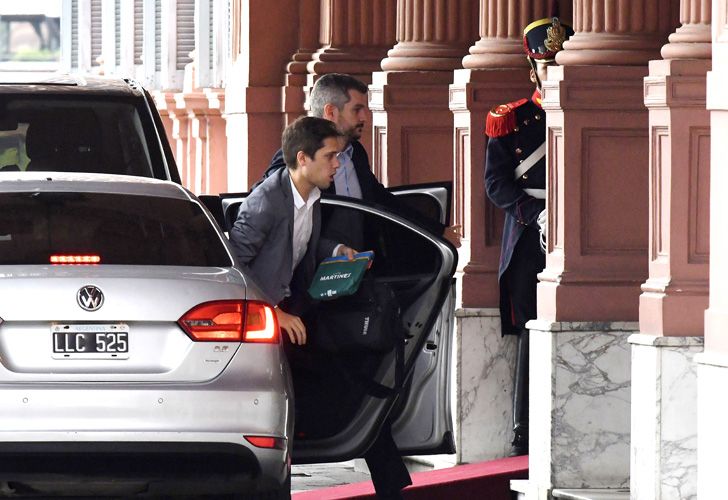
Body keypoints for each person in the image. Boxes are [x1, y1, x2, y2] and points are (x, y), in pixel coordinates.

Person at [258, 74, 415, 498]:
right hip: (302, 302)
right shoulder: (282, 178)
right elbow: (252, 249)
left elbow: (370, 204)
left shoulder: (351, 157)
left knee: (356, 375)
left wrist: (431, 230)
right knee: (330, 383)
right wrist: (276, 310)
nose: (364, 117)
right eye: (357, 109)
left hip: (342, 288)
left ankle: (389, 481)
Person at [484, 16, 573, 456]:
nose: (551, 73)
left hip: (573, 231)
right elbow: (496, 183)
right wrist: (534, 213)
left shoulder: (582, 112)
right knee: (529, 326)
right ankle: (524, 433)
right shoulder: (510, 120)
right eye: (544, 65)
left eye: (558, 64)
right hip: (527, 235)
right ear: (532, 69)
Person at [228, 116, 355, 345]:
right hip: (261, 318)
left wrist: (337, 250)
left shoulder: (313, 194)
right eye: (329, 156)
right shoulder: (265, 201)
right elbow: (234, 266)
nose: (337, 164)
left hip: (297, 302)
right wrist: (273, 312)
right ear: (303, 158)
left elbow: (299, 241)